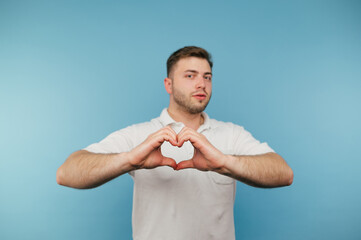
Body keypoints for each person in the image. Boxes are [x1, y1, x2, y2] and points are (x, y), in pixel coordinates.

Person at [57, 46, 293, 240]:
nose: (201, 84)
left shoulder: (232, 134)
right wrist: (130, 160)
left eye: (207, 77)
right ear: (168, 85)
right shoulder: (141, 135)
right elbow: (67, 173)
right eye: (190, 76)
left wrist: (223, 163)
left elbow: (284, 174)